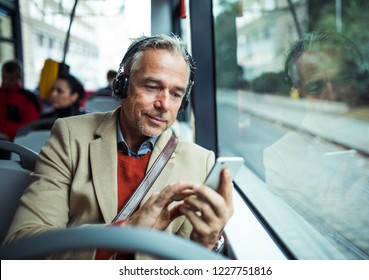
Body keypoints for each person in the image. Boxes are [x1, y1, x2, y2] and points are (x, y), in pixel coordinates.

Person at [4, 34, 233, 259]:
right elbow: (23, 244)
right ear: (122, 85)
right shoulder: (70, 136)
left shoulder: (201, 161)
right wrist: (127, 231)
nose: (164, 104)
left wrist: (208, 244)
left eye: (175, 94)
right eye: (153, 86)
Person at [263, 31, 369, 259]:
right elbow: (296, 247)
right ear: (297, 95)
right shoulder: (280, 158)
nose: (333, 95)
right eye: (316, 87)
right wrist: (334, 223)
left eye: (341, 80)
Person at [0, 59, 41, 141]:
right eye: (4, 78)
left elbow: (31, 124)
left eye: (11, 79)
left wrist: (8, 134)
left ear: (19, 77)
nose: (6, 82)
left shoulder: (27, 98)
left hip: (15, 140)